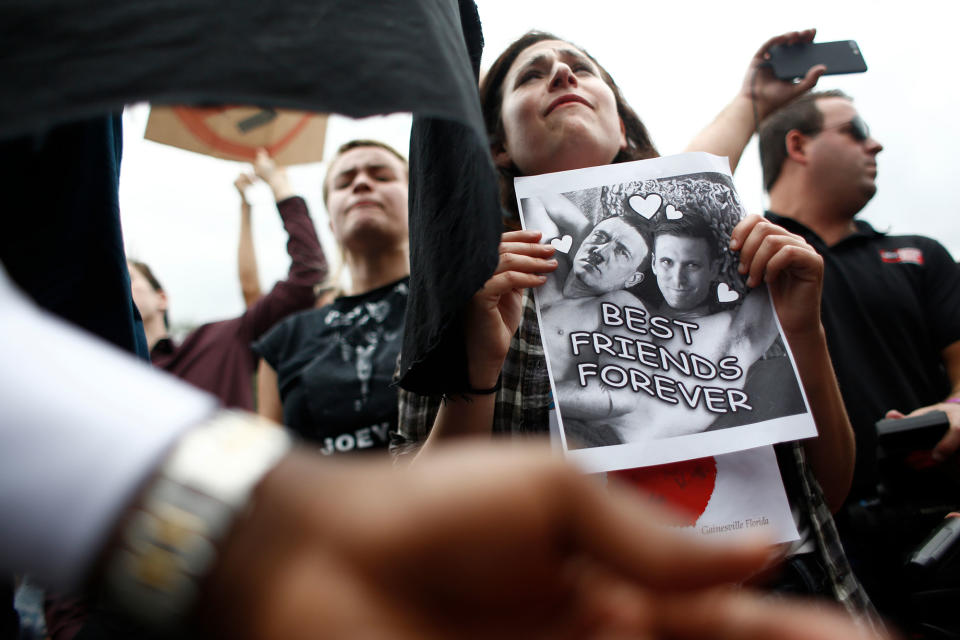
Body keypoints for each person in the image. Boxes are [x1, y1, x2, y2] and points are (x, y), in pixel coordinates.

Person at [393, 29, 871, 617]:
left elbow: (829, 491)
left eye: (581, 68)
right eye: (531, 74)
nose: (563, 75)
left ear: (622, 126)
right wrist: (477, 372)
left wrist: (804, 333)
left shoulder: (728, 280)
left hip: (792, 607)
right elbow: (419, 527)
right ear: (498, 145)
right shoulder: (469, 294)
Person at [758, 89, 960, 621]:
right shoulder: (742, 263)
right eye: (854, 128)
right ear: (797, 144)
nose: (876, 144)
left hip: (941, 521)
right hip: (814, 541)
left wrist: (956, 409)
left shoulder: (921, 255)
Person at [128, 150, 327, 410]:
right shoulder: (100, 382)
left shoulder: (218, 342)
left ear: (161, 298)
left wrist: (280, 187)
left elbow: (305, 276)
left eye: (128, 277)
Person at [253, 140, 409, 454]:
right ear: (331, 224)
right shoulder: (283, 341)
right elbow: (268, 464)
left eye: (382, 177)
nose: (362, 183)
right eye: (344, 181)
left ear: (418, 204)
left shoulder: (461, 305)